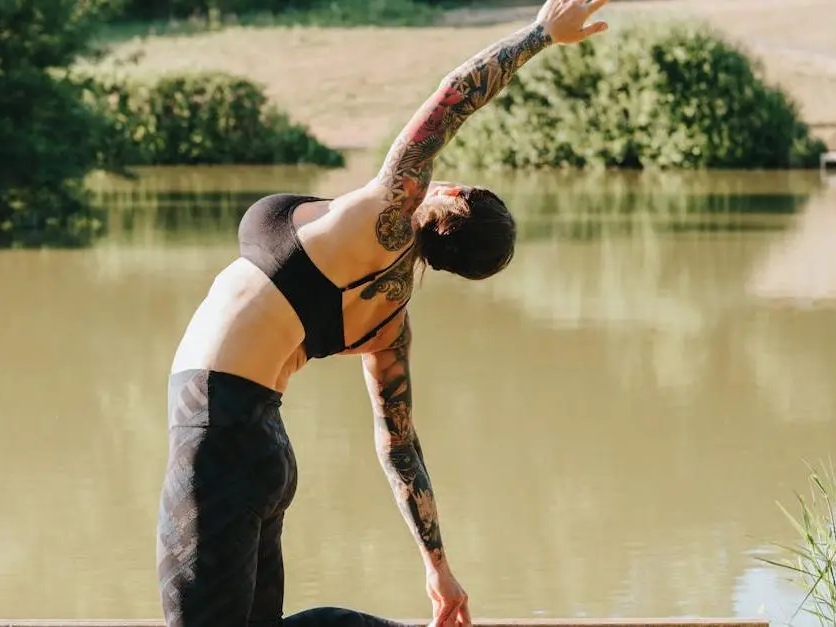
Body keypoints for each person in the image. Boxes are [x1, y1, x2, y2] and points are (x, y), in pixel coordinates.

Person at [156, 1, 611, 625]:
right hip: (260, 443)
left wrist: (539, 35)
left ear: (448, 194)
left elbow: (454, 98)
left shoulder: (383, 213)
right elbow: (400, 448)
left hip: (216, 427)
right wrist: (437, 567)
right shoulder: (388, 326)